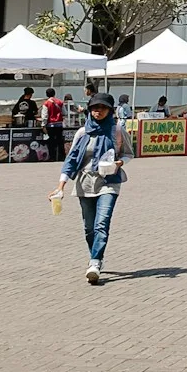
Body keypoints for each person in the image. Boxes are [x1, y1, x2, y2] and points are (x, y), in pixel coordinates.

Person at [49, 89, 131, 284]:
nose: (98, 111)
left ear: (110, 111)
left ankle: (95, 262)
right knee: (89, 228)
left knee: (102, 223)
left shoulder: (117, 130)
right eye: (95, 108)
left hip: (109, 182)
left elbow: (128, 154)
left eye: (103, 108)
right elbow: (71, 160)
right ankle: (95, 256)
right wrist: (60, 186)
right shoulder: (82, 132)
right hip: (85, 182)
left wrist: (118, 164)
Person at [43, 87, 66, 158]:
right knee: (60, 141)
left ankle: (52, 157)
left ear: (46, 95)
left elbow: (45, 116)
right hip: (59, 125)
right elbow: (64, 112)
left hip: (50, 125)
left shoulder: (46, 103)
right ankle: (62, 156)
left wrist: (43, 125)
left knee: (51, 142)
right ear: (54, 94)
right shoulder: (60, 102)